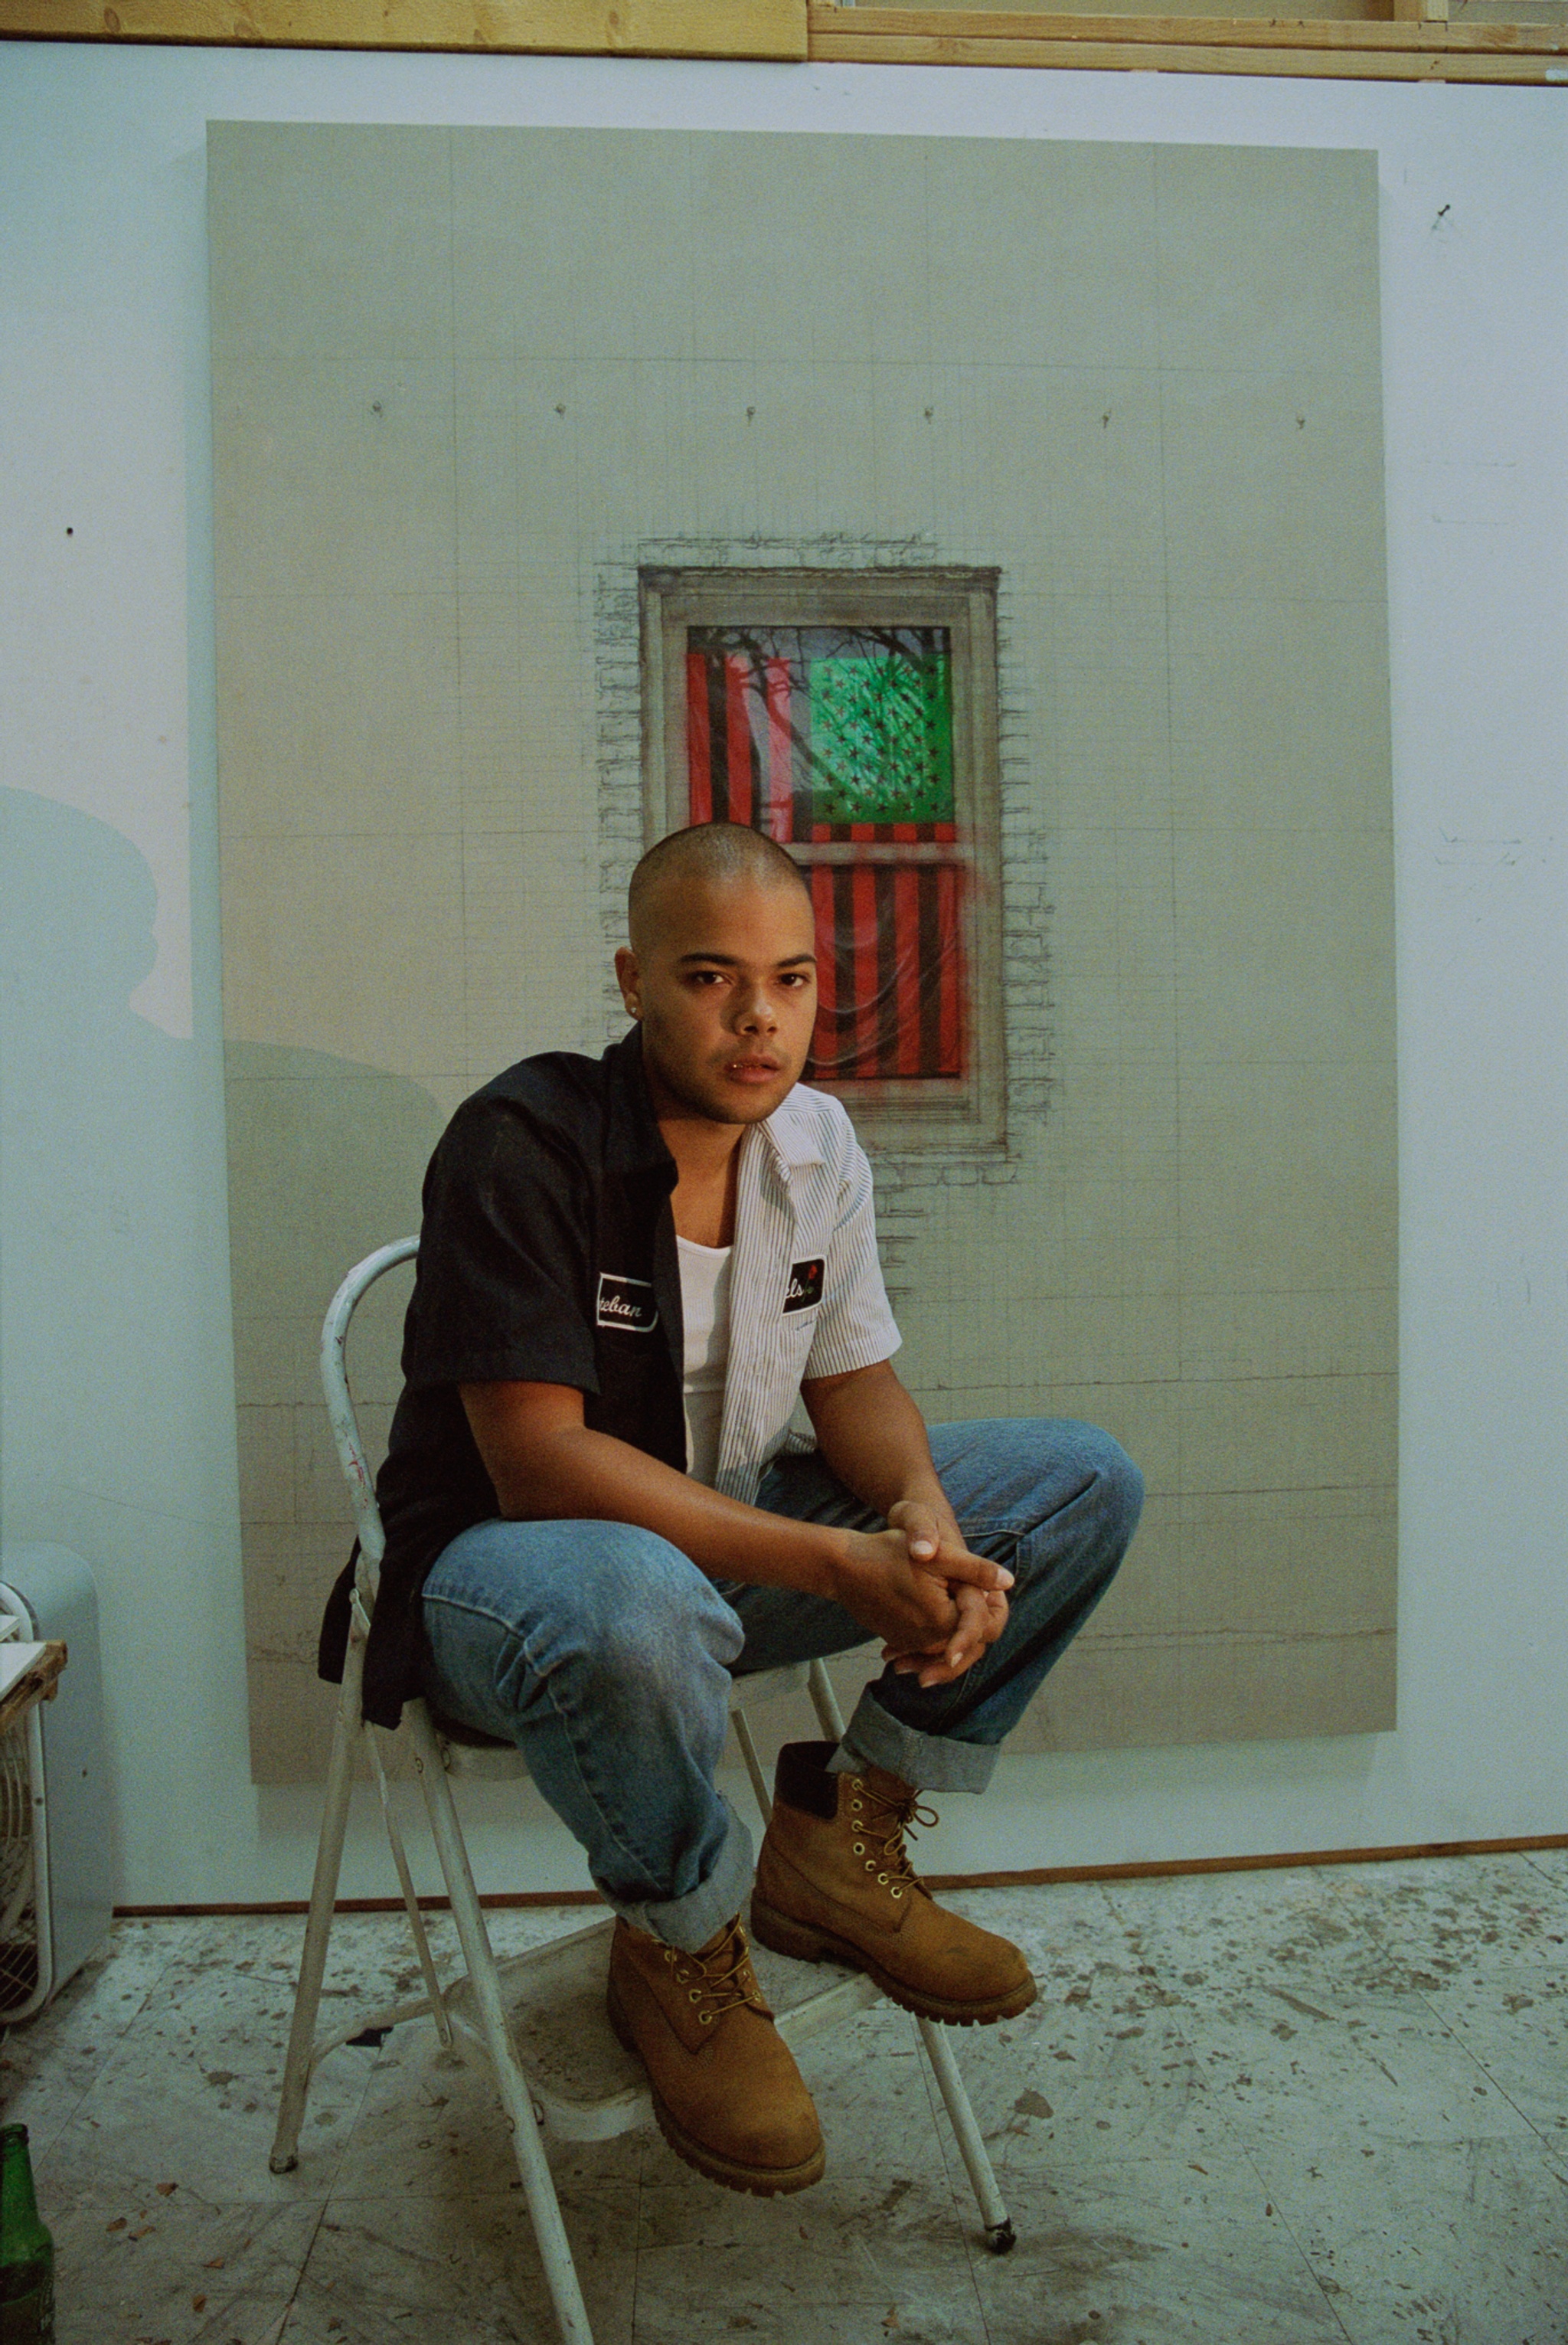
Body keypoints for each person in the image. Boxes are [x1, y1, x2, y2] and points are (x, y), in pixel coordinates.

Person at [319, 821, 1142, 2199]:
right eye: (712, 977)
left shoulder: (814, 1144)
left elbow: (858, 1384)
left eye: (796, 978)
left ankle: (840, 1838)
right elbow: (542, 1469)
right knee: (631, 1589)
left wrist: (923, 1519)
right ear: (634, 978)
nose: (761, 1019)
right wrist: (836, 1558)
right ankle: (686, 1941)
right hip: (512, 1590)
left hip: (724, 1549)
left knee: (1078, 1480)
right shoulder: (520, 1141)